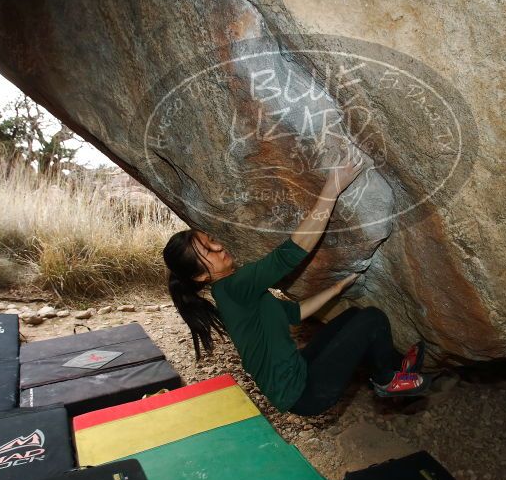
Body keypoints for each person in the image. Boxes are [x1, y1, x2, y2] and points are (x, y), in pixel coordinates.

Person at [162, 153, 430, 416]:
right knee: (372, 319)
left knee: (354, 317)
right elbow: (290, 252)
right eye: (209, 251)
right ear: (200, 277)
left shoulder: (233, 293)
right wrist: (331, 189)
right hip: (303, 392)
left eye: (211, 240)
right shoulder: (233, 287)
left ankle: (396, 370)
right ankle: (386, 379)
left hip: (299, 372)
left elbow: (295, 313)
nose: (219, 246)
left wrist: (337, 288)